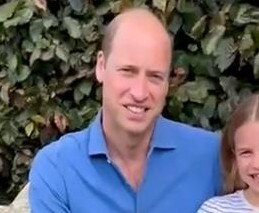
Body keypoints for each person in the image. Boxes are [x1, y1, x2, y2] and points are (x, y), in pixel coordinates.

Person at [28, 8, 221, 213]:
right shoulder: (58, 169)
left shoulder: (212, 157)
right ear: (101, 66)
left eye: (155, 76)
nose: (139, 93)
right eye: (128, 71)